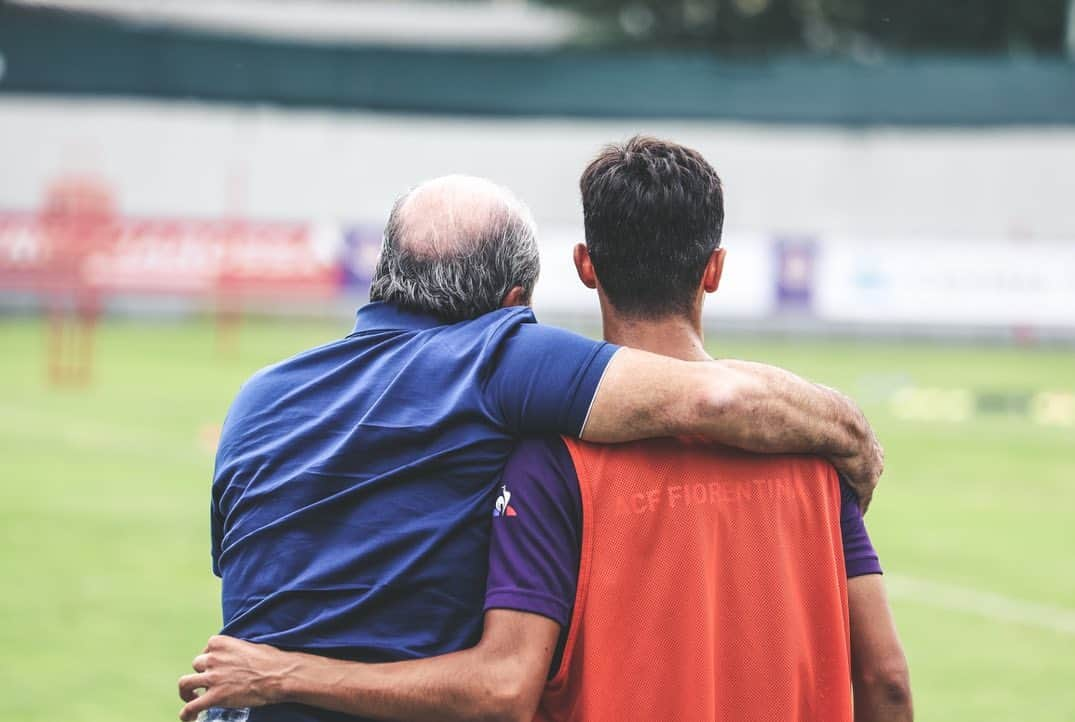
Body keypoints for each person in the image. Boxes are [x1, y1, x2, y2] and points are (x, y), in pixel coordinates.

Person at [181, 171, 884, 722]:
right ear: (515, 297)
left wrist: (276, 675)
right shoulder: (500, 358)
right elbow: (713, 397)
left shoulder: (257, 398)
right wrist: (849, 439)